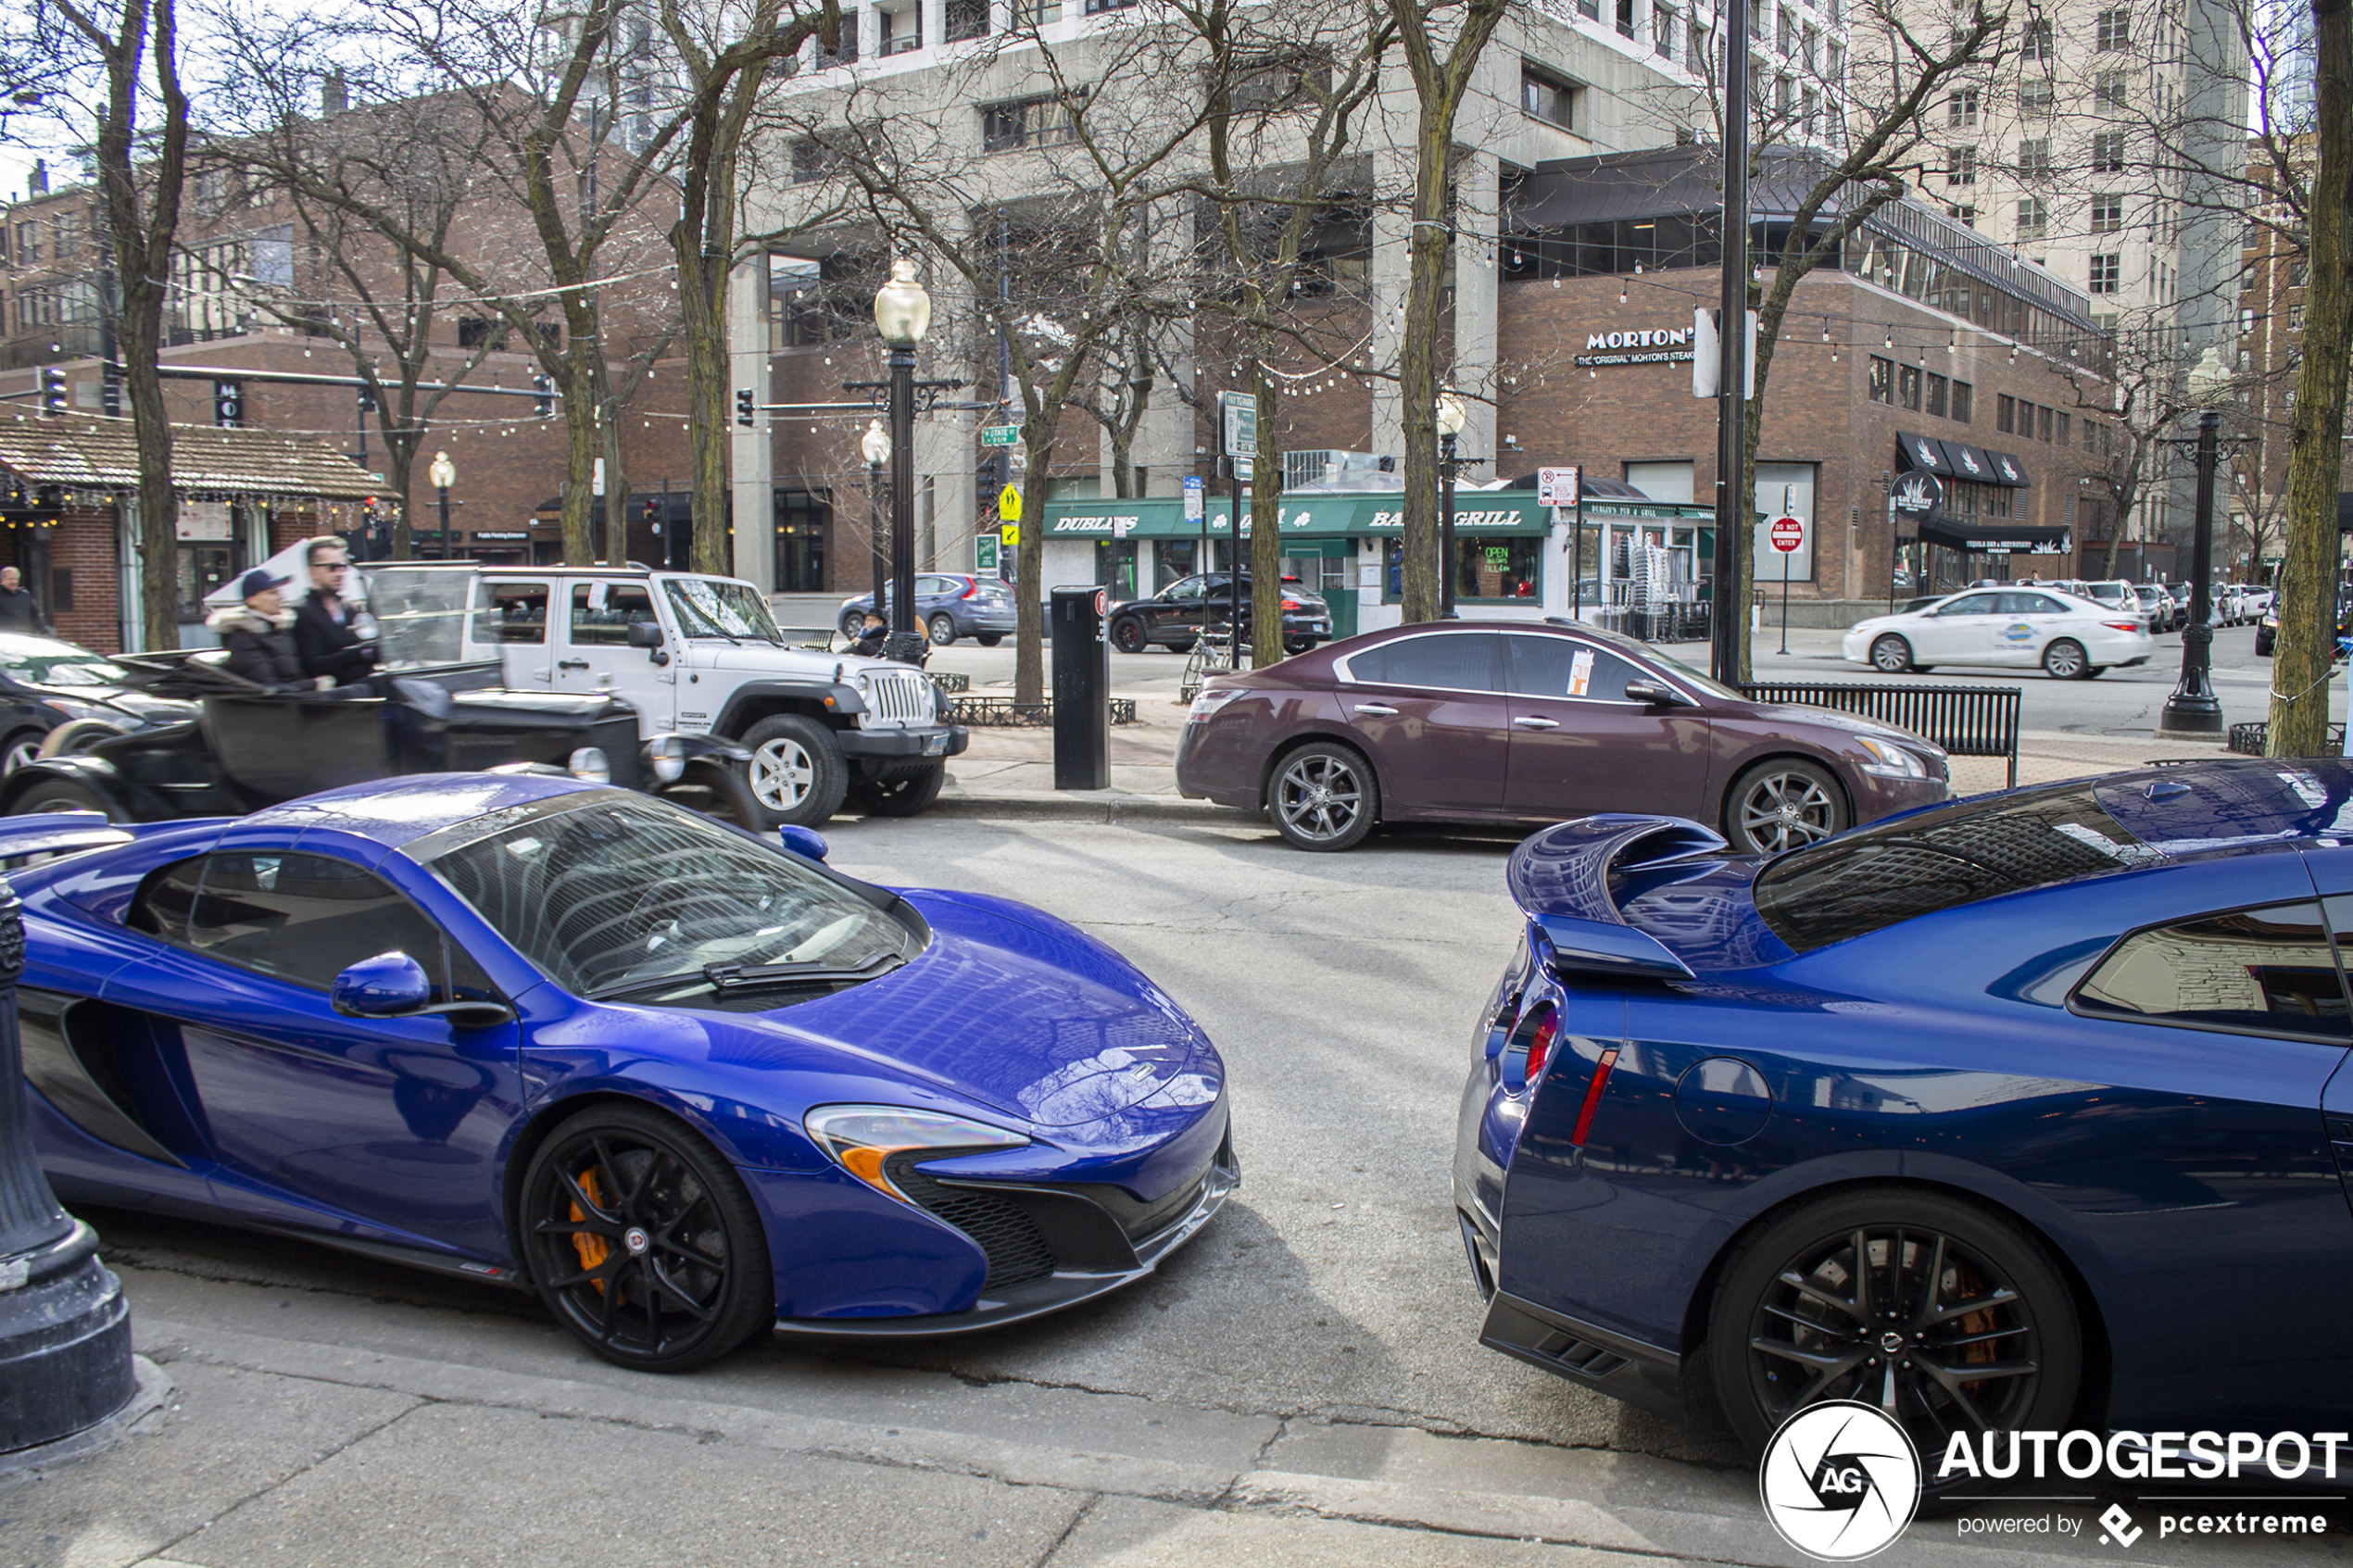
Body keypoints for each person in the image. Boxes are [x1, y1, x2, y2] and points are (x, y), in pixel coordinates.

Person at [208, 569, 326, 692]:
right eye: (272, 592)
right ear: (252, 600)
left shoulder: (280, 630)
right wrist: (316, 684)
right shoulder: (243, 637)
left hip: (294, 700)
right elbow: (268, 689)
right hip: (278, 707)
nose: (281, 597)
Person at [291, 537, 377, 686]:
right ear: (313, 571)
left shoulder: (349, 609)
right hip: (335, 698)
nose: (339, 573)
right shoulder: (303, 612)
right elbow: (313, 665)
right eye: (332, 567)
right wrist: (359, 654)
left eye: (342, 567)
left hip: (363, 688)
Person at [0, 566, 50, 634]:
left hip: (25, 636)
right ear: (2, 580)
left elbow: (35, 615)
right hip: (6, 637)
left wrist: (44, 631)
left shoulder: (25, 595)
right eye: (10, 579)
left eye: (15, 579)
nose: (13, 582)